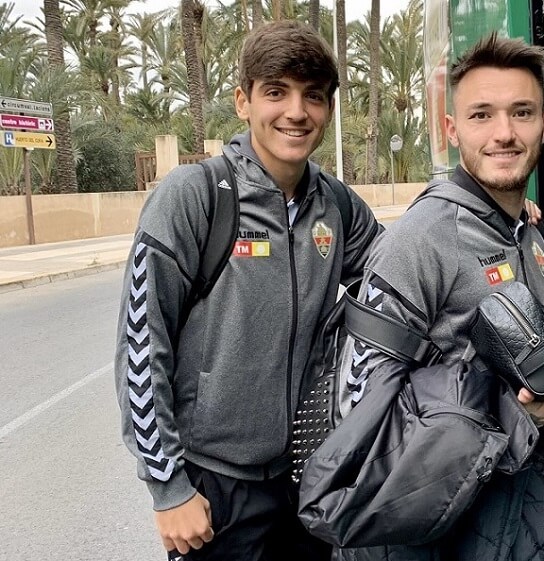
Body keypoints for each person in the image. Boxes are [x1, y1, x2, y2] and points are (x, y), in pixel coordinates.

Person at [336, 33, 544, 560]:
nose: (504, 133)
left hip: (510, 505)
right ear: (453, 131)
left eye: (521, 112)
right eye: (481, 116)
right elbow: (358, 416)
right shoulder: (420, 239)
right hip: (434, 532)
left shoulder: (523, 232)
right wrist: (523, 419)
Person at [113, 20, 382, 561]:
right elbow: (142, 344)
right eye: (276, 92)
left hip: (306, 479)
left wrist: (495, 216)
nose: (296, 112)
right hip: (215, 488)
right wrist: (168, 489)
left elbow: (403, 275)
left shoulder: (337, 205)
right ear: (243, 101)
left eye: (313, 96)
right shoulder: (196, 196)